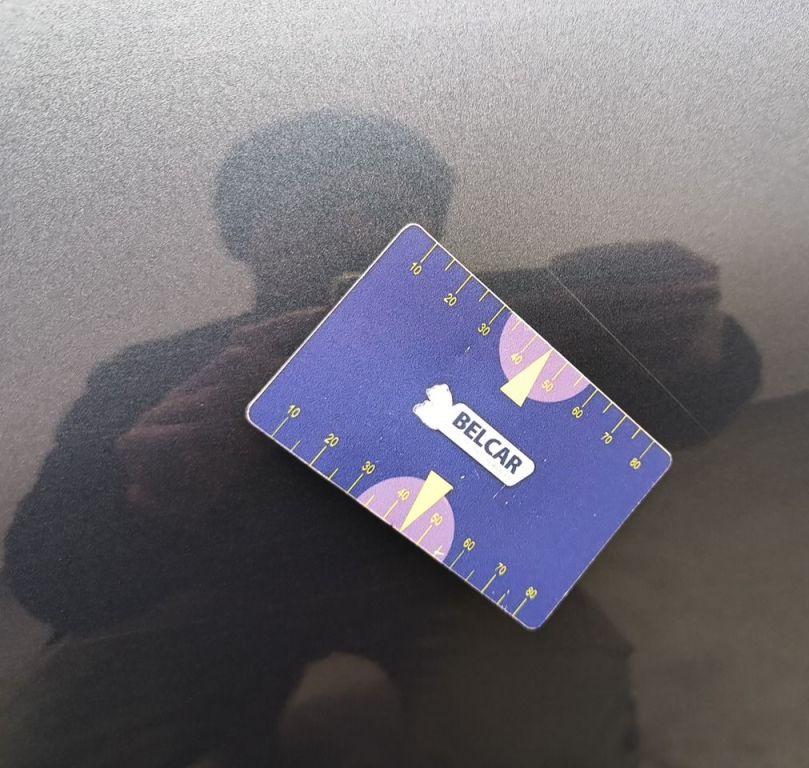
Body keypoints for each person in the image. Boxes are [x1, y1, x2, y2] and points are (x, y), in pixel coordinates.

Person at [2, 110, 759, 767]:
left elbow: (682, 420)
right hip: (211, 583)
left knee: (542, 740)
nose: (358, 227)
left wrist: (698, 348)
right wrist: (149, 500)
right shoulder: (144, 373)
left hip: (451, 575)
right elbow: (43, 573)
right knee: (58, 741)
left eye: (392, 207)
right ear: (245, 234)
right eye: (314, 204)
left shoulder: (483, 322)